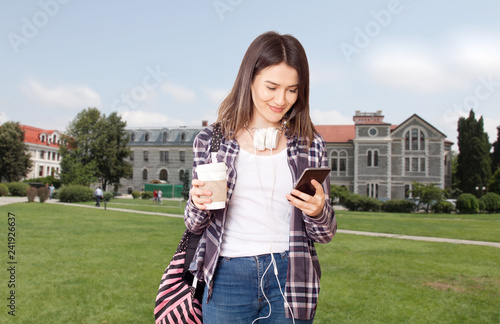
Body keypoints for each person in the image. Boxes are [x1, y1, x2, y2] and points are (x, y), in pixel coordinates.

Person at [184, 31, 337, 323]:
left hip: (291, 276)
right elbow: (193, 224)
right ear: (249, 79)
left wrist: (318, 212)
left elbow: (325, 234)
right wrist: (197, 201)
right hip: (226, 276)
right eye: (271, 87)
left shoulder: (310, 144)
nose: (281, 100)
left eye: (292, 90)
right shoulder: (211, 141)